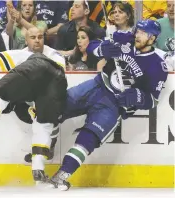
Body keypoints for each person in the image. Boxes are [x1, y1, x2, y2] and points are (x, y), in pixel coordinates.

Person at [46, 19, 168, 191]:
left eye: (142, 33)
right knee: (56, 106)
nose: (137, 35)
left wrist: (138, 96)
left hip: (114, 105)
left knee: (89, 138)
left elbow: (153, 99)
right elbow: (90, 46)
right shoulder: (124, 39)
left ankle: (62, 175)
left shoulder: (157, 65)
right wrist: (101, 49)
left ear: (152, 38)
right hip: (97, 86)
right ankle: (48, 145)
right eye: (137, 31)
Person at [0, 26, 67, 184]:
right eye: (33, 37)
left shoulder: (31, 54)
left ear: (44, 38)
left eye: (40, 37)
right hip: (53, 87)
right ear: (26, 40)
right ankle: (38, 169)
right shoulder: (46, 54)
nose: (37, 40)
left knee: (5, 89)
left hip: (44, 74)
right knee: (44, 123)